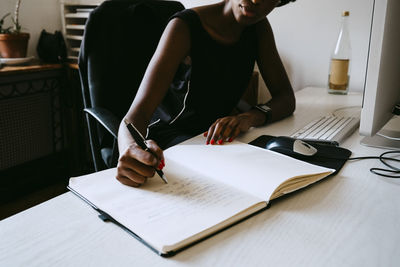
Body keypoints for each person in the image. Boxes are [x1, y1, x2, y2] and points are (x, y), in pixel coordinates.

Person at [116, 0, 297, 187]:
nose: (256, 0)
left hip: (213, 141)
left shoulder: (258, 28)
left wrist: (249, 117)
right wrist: (129, 148)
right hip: (168, 139)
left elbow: (286, 97)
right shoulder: (183, 27)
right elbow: (135, 116)